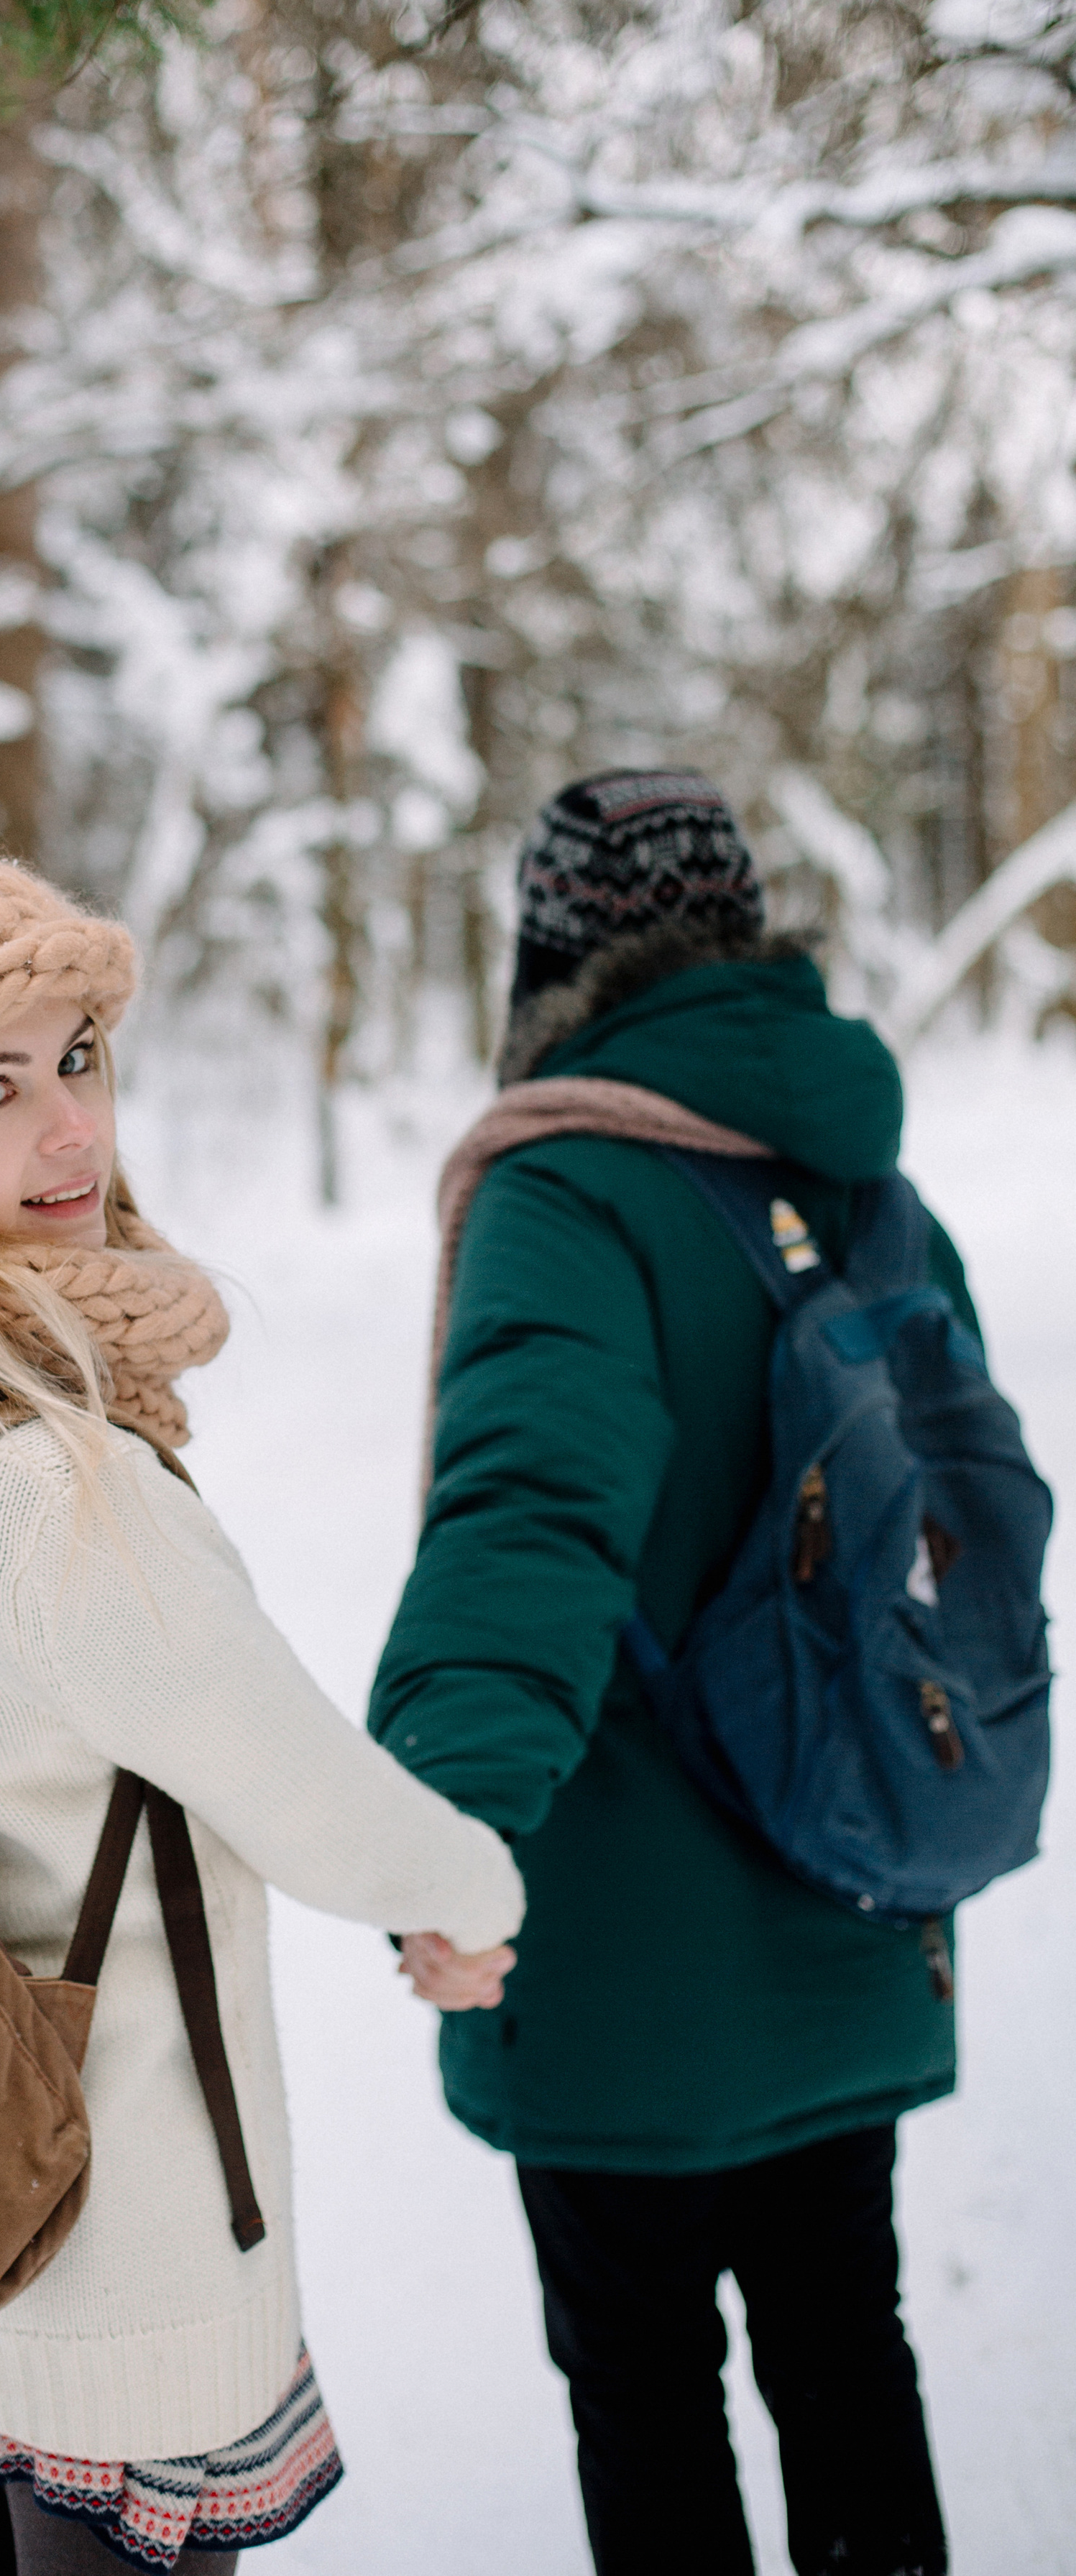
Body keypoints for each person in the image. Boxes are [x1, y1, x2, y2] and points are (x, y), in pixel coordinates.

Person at [0, 812, 525, 2575]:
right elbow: (303, 1793)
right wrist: (472, 1895)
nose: (71, 1125)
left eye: (75, 1057)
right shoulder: (50, 1485)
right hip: (95, 2222)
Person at [370, 771, 966, 2576]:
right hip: (851, 1880)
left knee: (644, 2386)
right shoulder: (859, 1176)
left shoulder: (568, 1189)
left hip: (624, 1940)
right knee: (844, 2351)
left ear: (549, 957)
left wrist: (443, 1827)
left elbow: (526, 1519)